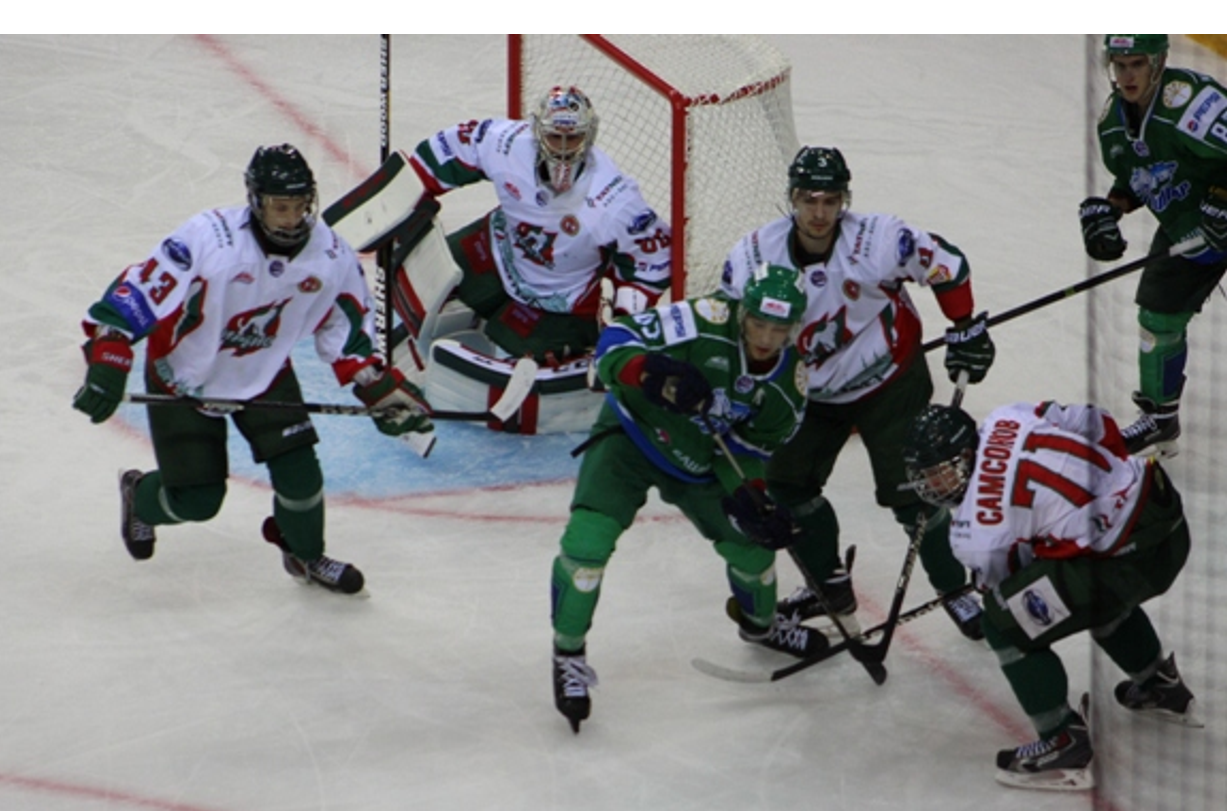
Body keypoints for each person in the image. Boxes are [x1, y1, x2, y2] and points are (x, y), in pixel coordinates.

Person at [72, 144, 435, 595]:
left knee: (301, 476)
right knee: (198, 501)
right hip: (185, 376)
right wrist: (109, 354)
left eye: (300, 205)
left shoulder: (331, 255)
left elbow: (345, 328)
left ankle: (304, 555)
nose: (292, 218)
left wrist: (377, 388)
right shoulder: (209, 238)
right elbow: (138, 292)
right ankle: (139, 497)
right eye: (280, 207)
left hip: (263, 373)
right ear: (256, 202)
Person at [719, 146, 995, 641]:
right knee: (787, 487)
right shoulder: (753, 256)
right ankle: (829, 586)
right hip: (807, 391)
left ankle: (954, 588)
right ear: (791, 199)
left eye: (830, 201)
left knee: (915, 492)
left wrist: (965, 326)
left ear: (844, 200)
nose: (819, 213)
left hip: (889, 380)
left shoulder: (878, 240)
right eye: (809, 200)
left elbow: (946, 264)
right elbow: (728, 324)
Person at [548, 266, 826, 733]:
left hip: (702, 465)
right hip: (631, 437)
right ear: (742, 312)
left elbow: (748, 451)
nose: (765, 338)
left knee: (754, 549)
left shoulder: (788, 387)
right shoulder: (703, 318)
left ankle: (761, 625)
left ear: (795, 329)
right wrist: (651, 372)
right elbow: (614, 341)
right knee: (586, 548)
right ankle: (567, 653)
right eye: (758, 323)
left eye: (779, 329)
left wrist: (751, 494)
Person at [903, 400, 1200, 790]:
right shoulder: (1006, 416)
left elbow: (1007, 588)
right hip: (1163, 510)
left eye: (938, 473)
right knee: (1081, 582)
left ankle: (1063, 742)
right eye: (924, 475)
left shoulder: (974, 530)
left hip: (1126, 561)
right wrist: (1105, 487)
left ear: (965, 456)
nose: (930, 486)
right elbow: (1093, 420)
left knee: (1003, 623)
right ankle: (1157, 682)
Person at [396, 85, 673, 363]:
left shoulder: (614, 198)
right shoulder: (507, 143)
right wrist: (402, 203)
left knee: (509, 357)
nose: (563, 149)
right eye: (554, 136)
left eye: (572, 137)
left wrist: (624, 324)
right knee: (421, 278)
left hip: (560, 300)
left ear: (589, 135)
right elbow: (447, 151)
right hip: (498, 250)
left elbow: (653, 259)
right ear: (537, 131)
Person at [1079, 33, 1227, 458]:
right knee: (1157, 315)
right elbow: (1140, 175)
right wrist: (1110, 209)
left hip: (1215, 213)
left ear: (1159, 62)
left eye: (1138, 64)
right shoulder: (1112, 123)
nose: (1128, 75)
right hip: (1188, 229)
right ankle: (1161, 419)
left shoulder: (1193, 104)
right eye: (1120, 64)